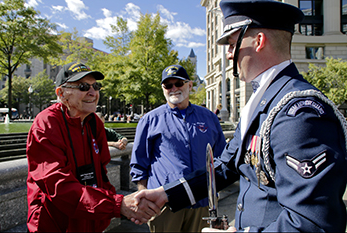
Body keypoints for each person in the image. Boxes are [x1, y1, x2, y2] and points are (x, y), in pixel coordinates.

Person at [133, 1, 347, 232]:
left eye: (233, 44)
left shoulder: (299, 112)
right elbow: (226, 166)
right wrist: (166, 194)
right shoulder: (264, 101)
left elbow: (312, 223)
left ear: (259, 41)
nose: (228, 55)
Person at [26, 62, 159, 232]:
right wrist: (119, 205)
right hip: (56, 225)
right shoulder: (46, 124)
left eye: (95, 86)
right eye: (83, 87)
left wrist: (126, 206)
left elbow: (101, 176)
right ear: (61, 93)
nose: (92, 92)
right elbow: (58, 186)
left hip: (91, 222)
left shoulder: (94, 123)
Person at [130, 64, 227, 232]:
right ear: (163, 89)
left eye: (179, 83)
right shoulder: (150, 120)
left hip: (202, 201)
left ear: (189, 85)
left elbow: (221, 158)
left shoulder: (209, 117)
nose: (173, 88)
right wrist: (144, 195)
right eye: (168, 85)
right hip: (165, 204)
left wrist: (214, 193)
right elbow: (139, 163)